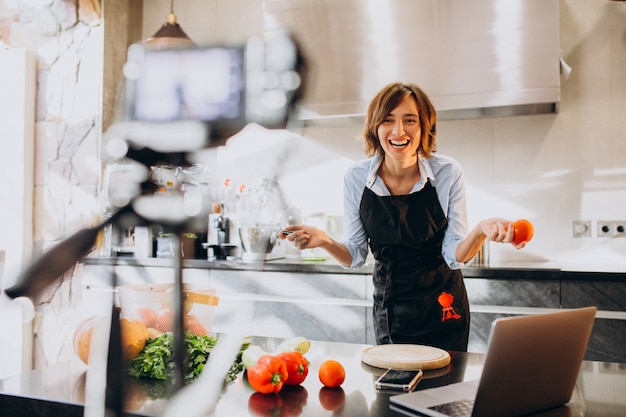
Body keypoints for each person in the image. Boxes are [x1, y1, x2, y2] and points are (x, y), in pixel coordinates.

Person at [280, 82, 527, 352]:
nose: (399, 131)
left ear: (424, 127)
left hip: (444, 305)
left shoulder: (447, 172)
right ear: (375, 127)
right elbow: (355, 255)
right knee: (395, 390)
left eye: (410, 120)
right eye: (388, 121)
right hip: (392, 309)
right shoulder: (357, 178)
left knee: (447, 390)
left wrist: (480, 230)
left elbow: (454, 255)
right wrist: (325, 241)